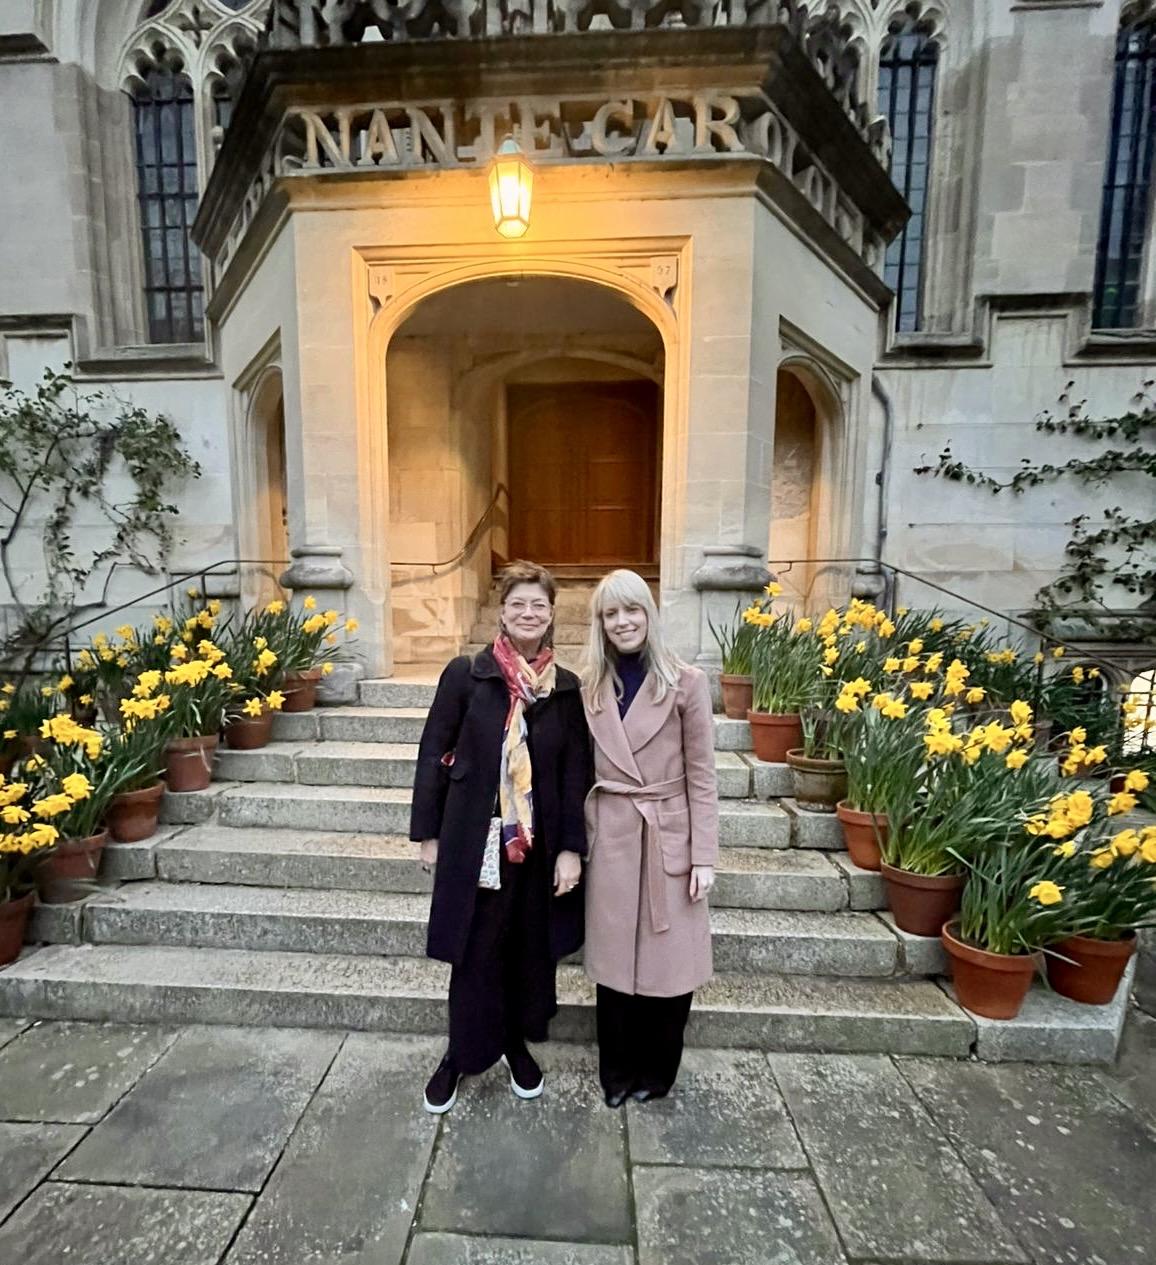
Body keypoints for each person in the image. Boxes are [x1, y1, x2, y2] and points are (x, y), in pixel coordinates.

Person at [410, 560, 591, 1114]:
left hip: (537, 848)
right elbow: (433, 752)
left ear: (552, 614)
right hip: (477, 840)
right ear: (503, 612)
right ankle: (460, 1054)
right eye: (518, 604)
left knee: (526, 948)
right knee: (475, 948)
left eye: (539, 604)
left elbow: (575, 774)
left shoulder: (565, 688)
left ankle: (514, 1043)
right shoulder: (468, 675)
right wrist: (428, 834)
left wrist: (570, 849)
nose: (528, 613)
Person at [580, 568, 718, 1107]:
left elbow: (702, 776)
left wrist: (703, 856)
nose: (622, 622)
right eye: (610, 613)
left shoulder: (687, 682)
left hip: (668, 836)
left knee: (670, 965)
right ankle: (615, 1073)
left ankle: (658, 1072)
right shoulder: (590, 687)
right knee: (614, 965)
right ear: (600, 623)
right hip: (612, 836)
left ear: (649, 614)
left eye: (631, 609)